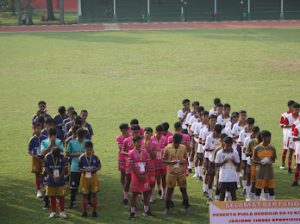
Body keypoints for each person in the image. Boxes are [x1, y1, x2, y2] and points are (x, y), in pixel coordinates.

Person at [163, 133, 190, 215]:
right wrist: (170, 162)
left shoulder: (183, 147)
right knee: (169, 190)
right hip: (171, 173)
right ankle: (167, 208)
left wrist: (183, 162)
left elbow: (186, 159)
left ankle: (187, 206)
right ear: (173, 141)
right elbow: (163, 160)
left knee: (183, 190)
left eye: (178, 143)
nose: (176, 145)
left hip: (181, 173)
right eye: (175, 143)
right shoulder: (167, 148)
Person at [128, 135, 152, 219]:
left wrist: (145, 174)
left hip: (144, 176)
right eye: (137, 142)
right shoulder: (131, 153)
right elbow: (132, 166)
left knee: (146, 193)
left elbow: (148, 164)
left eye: (140, 142)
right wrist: (138, 175)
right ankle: (132, 212)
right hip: (136, 177)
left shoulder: (145, 152)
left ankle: (146, 210)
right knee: (134, 194)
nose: (139, 143)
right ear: (133, 143)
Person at [44, 146, 68, 219]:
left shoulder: (63, 157)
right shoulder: (47, 157)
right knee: (52, 196)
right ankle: (53, 212)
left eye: (57, 156)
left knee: (61, 196)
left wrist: (60, 176)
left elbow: (65, 168)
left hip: (60, 179)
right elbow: (46, 168)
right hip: (51, 179)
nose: (56, 157)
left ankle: (62, 212)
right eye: (54, 156)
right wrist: (52, 177)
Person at [79, 141, 101, 217]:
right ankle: (84, 212)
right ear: (84, 149)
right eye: (87, 150)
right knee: (85, 195)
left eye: (90, 149)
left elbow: (99, 166)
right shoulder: (81, 157)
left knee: (94, 194)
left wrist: (93, 170)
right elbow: (79, 168)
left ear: (92, 149)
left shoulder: (95, 157)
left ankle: (94, 211)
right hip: (84, 177)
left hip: (93, 177)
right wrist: (85, 170)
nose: (89, 151)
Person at [66, 128, 87, 209]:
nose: (81, 139)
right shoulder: (71, 142)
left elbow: (92, 152)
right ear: (76, 135)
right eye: (79, 137)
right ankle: (72, 202)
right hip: (74, 168)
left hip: (85, 168)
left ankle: (87, 201)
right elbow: (67, 153)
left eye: (82, 137)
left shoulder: (87, 143)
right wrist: (77, 154)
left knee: (86, 185)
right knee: (73, 187)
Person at [252, 130, 277, 200]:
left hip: (269, 172)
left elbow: (273, 159)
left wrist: (270, 161)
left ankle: (272, 205)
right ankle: (256, 206)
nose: (270, 139)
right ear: (263, 138)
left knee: (271, 189)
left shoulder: (272, 148)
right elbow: (253, 160)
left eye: (270, 138)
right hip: (260, 172)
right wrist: (260, 162)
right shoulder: (257, 148)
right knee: (258, 189)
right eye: (268, 138)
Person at [215, 137, 240, 201]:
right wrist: (224, 162)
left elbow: (238, 164)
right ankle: (221, 210)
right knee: (222, 195)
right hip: (223, 177)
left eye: (230, 145)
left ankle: (234, 210)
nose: (228, 147)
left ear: (232, 144)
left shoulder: (235, 152)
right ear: (224, 144)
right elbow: (216, 164)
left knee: (233, 195)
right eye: (227, 145)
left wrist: (233, 161)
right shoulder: (219, 153)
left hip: (232, 177)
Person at [28, 122, 47, 198]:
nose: (39, 130)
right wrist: (35, 156)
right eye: (37, 129)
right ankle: (38, 190)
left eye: (40, 128)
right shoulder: (32, 139)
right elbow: (29, 151)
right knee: (37, 173)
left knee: (45, 173)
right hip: (36, 158)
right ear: (34, 129)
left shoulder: (45, 137)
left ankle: (45, 188)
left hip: (44, 158)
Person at [122, 124, 140, 204]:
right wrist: (129, 154)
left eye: (137, 132)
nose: (135, 133)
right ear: (131, 131)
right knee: (128, 179)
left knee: (139, 179)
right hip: (129, 163)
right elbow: (122, 151)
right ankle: (125, 196)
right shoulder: (126, 140)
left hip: (139, 164)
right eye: (134, 132)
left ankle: (139, 194)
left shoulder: (141, 141)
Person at [204, 124, 222, 204]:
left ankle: (218, 199)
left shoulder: (222, 138)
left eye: (218, 133)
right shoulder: (209, 137)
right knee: (211, 179)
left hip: (221, 162)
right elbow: (206, 148)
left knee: (219, 180)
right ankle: (210, 197)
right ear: (213, 131)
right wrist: (213, 149)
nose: (217, 135)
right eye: (216, 133)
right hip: (212, 160)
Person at [238, 117, 255, 195]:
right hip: (245, 155)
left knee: (253, 172)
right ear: (246, 124)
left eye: (251, 125)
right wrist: (246, 145)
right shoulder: (242, 132)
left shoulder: (255, 133)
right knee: (245, 172)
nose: (250, 127)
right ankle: (245, 188)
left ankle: (251, 188)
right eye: (249, 125)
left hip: (253, 156)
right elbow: (239, 142)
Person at [151, 125, 167, 199]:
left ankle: (163, 193)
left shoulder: (165, 138)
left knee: (164, 177)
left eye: (161, 133)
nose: (160, 135)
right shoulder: (151, 139)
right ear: (156, 132)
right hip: (154, 163)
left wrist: (163, 151)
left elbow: (167, 149)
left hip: (163, 162)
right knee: (154, 179)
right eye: (159, 133)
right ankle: (153, 195)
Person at [245, 127, 261, 200]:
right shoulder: (249, 141)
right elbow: (246, 152)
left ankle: (258, 197)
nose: (257, 134)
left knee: (259, 181)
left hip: (260, 165)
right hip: (250, 163)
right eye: (255, 133)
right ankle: (248, 196)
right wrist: (254, 153)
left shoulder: (262, 141)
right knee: (249, 180)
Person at [283, 103, 300, 173]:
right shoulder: (288, 117)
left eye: (298, 109)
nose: (297, 110)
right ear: (293, 109)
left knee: (297, 153)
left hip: (297, 138)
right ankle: (289, 167)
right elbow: (284, 126)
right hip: (291, 137)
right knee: (290, 152)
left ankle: (297, 167)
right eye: (295, 109)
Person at [116, 123, 130, 201]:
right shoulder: (119, 138)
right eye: (125, 129)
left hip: (129, 159)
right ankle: (124, 188)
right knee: (123, 174)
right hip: (122, 158)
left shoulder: (131, 138)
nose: (127, 131)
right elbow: (120, 147)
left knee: (129, 175)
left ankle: (127, 188)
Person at [279, 100, 295, 170]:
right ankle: (283, 163)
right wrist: (291, 126)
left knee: (295, 148)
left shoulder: (296, 114)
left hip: (295, 133)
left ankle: (295, 164)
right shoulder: (284, 115)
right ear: (289, 106)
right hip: (287, 134)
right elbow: (281, 125)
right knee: (286, 148)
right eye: (293, 106)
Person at [143, 127, 157, 202]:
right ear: (143, 134)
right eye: (146, 133)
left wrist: (149, 149)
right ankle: (144, 195)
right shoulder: (140, 142)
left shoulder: (154, 144)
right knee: (143, 180)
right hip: (142, 165)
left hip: (151, 165)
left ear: (151, 134)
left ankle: (152, 195)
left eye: (149, 133)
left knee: (151, 181)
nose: (147, 135)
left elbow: (154, 156)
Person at [292, 118, 300, 186]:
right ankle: (295, 181)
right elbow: (294, 138)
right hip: (299, 148)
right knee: (298, 164)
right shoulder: (297, 127)